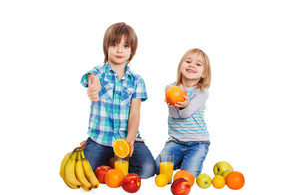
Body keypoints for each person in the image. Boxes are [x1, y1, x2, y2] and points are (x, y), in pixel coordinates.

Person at [80, 22, 155, 179]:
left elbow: (135, 114)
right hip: (100, 139)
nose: (120, 50)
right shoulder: (97, 73)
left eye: (125, 46)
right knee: (85, 172)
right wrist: (94, 87)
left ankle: (113, 166)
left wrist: (129, 141)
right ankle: (101, 157)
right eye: (115, 45)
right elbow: (92, 79)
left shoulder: (137, 80)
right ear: (106, 47)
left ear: (132, 51)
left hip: (127, 138)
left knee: (148, 169)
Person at [155, 48, 212, 177]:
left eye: (198, 64)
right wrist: (173, 104)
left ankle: (188, 161)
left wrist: (185, 105)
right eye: (188, 61)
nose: (192, 65)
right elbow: (175, 115)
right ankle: (181, 159)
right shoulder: (170, 88)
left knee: (187, 175)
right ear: (181, 66)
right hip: (175, 141)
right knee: (158, 169)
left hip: (198, 143)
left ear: (204, 73)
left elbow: (185, 114)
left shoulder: (202, 92)